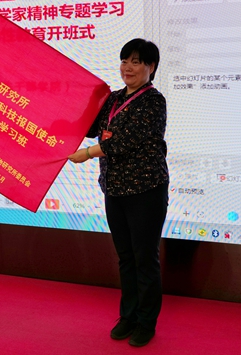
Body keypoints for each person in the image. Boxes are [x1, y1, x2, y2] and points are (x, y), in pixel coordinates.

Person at [68, 38, 169, 347]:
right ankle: (128, 316)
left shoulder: (153, 101)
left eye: (136, 62)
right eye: (125, 61)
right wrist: (83, 99)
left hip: (145, 190)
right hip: (114, 189)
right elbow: (90, 128)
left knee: (144, 259)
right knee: (125, 258)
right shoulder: (112, 98)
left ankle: (146, 322)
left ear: (151, 67)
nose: (128, 67)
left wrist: (87, 153)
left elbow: (124, 141)